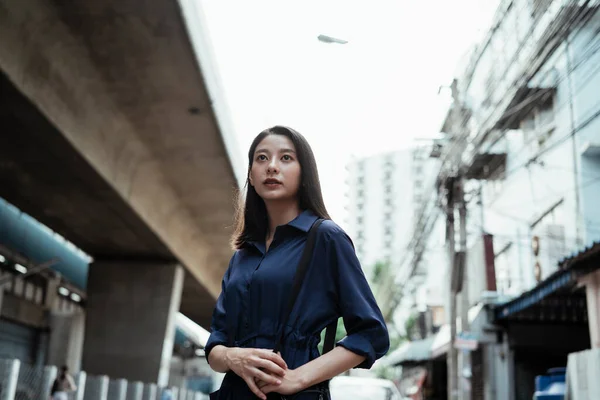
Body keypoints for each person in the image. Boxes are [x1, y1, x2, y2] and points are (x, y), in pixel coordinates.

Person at [205, 126, 390, 400]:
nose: (272, 167)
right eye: (262, 158)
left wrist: (298, 378)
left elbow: (372, 334)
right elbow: (215, 345)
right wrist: (233, 357)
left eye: (286, 158)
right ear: (251, 176)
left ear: (305, 174)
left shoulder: (326, 238)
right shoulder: (242, 255)